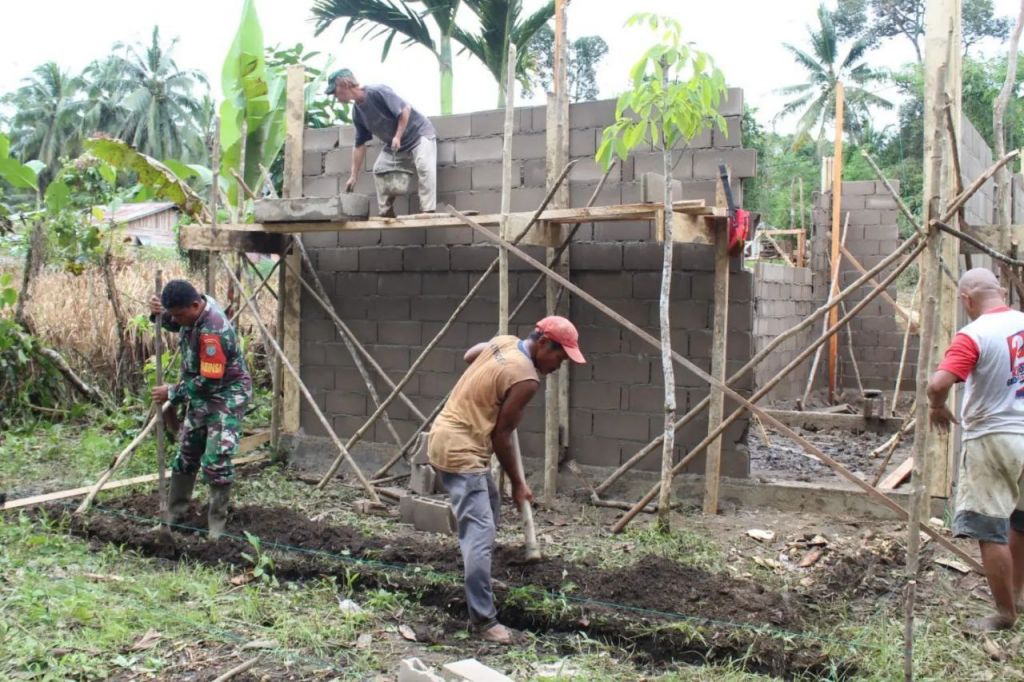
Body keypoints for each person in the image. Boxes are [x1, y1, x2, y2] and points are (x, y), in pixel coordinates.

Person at [428, 316, 586, 643]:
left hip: (446, 434)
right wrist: (518, 483)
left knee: (490, 507)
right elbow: (502, 436)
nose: (560, 365)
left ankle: (480, 572)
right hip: (462, 449)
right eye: (560, 357)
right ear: (544, 344)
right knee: (480, 532)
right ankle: (483, 622)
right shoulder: (526, 378)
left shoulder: (503, 342)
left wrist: (490, 378)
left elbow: (471, 354)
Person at [928, 267, 1024, 632]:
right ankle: (1017, 593)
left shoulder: (974, 335)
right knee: (1021, 520)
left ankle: (1004, 614)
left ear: (967, 299)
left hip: (994, 438)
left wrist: (936, 405)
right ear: (1000, 291)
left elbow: (939, 384)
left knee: (990, 527)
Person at [149, 280, 252, 540]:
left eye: (179, 314)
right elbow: (176, 323)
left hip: (226, 394)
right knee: (186, 454)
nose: (176, 319)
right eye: (173, 313)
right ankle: (175, 517)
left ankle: (216, 530)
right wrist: (158, 314)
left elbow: (209, 381)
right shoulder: (194, 313)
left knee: (216, 460)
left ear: (195, 305)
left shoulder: (213, 332)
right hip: (201, 392)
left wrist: (172, 393)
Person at [325, 68, 437, 218]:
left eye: (335, 91)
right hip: (397, 144)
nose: (335, 97)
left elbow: (405, 109)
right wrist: (353, 176)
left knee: (424, 165)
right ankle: (386, 211)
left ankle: (428, 210)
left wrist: (397, 136)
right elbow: (359, 144)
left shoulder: (376, 91)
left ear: (344, 84)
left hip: (418, 134)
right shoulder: (357, 112)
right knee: (380, 169)